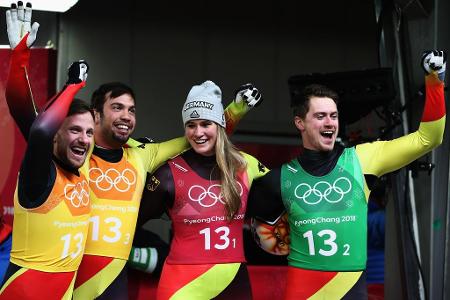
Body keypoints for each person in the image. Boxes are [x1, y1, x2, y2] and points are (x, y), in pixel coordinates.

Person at [247, 50, 446, 299]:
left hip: (352, 291)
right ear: (300, 123)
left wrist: (435, 80)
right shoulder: (278, 180)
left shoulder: (363, 160)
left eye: (333, 116)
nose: (329, 122)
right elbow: (251, 227)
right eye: (320, 116)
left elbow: (429, 138)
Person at [73, 81, 261, 298]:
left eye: (131, 110)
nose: (126, 115)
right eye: (117, 107)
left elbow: (202, 137)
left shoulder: (141, 154)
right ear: (95, 115)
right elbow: (43, 131)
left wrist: (236, 109)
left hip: (111, 279)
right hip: (69, 268)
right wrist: (72, 88)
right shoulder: (75, 153)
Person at [135, 80, 267, 299]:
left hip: (234, 283)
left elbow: (284, 198)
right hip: (182, 285)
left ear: (220, 125)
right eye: (191, 125)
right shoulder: (168, 175)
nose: (198, 132)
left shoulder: (245, 165)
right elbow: (131, 223)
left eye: (206, 123)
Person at [0, 3, 93, 298]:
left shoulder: (82, 170)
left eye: (89, 132)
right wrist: (73, 86)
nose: (84, 139)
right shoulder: (40, 172)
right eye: (75, 130)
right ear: (57, 134)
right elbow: (37, 127)